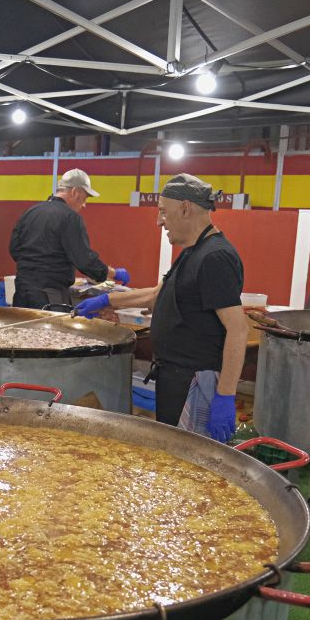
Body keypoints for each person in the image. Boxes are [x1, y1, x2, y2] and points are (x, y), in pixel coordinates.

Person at [74, 174, 247, 442]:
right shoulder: (192, 251)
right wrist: (106, 300)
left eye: (163, 211)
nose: (159, 221)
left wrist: (225, 394)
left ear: (185, 208)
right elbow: (158, 294)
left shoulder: (215, 257)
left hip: (194, 381)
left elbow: (238, 329)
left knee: (190, 459)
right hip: (174, 377)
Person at [8, 168, 130, 308]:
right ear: (75, 192)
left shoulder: (31, 212)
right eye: (84, 198)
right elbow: (85, 261)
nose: (84, 205)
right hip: (49, 297)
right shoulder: (70, 218)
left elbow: (14, 249)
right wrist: (113, 273)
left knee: (23, 323)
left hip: (22, 293)